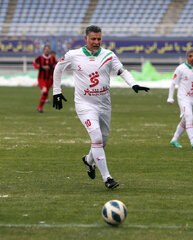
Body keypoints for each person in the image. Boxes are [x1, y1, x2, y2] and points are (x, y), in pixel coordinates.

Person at [52, 25, 149, 189]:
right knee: (96, 138)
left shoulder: (109, 55)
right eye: (93, 39)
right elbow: (58, 68)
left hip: (104, 105)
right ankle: (107, 178)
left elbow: (122, 71)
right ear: (86, 39)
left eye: (99, 39)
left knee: (102, 142)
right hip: (84, 105)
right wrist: (56, 91)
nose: (96, 42)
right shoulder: (73, 55)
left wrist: (133, 84)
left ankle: (89, 161)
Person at [32, 45, 57, 113]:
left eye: (48, 49)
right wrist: (38, 67)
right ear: (43, 50)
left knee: (46, 92)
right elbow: (34, 62)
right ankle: (40, 107)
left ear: (49, 50)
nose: (47, 50)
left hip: (49, 79)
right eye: (46, 49)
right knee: (45, 92)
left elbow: (57, 65)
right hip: (41, 79)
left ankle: (41, 106)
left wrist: (53, 67)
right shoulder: (40, 58)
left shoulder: (52, 58)